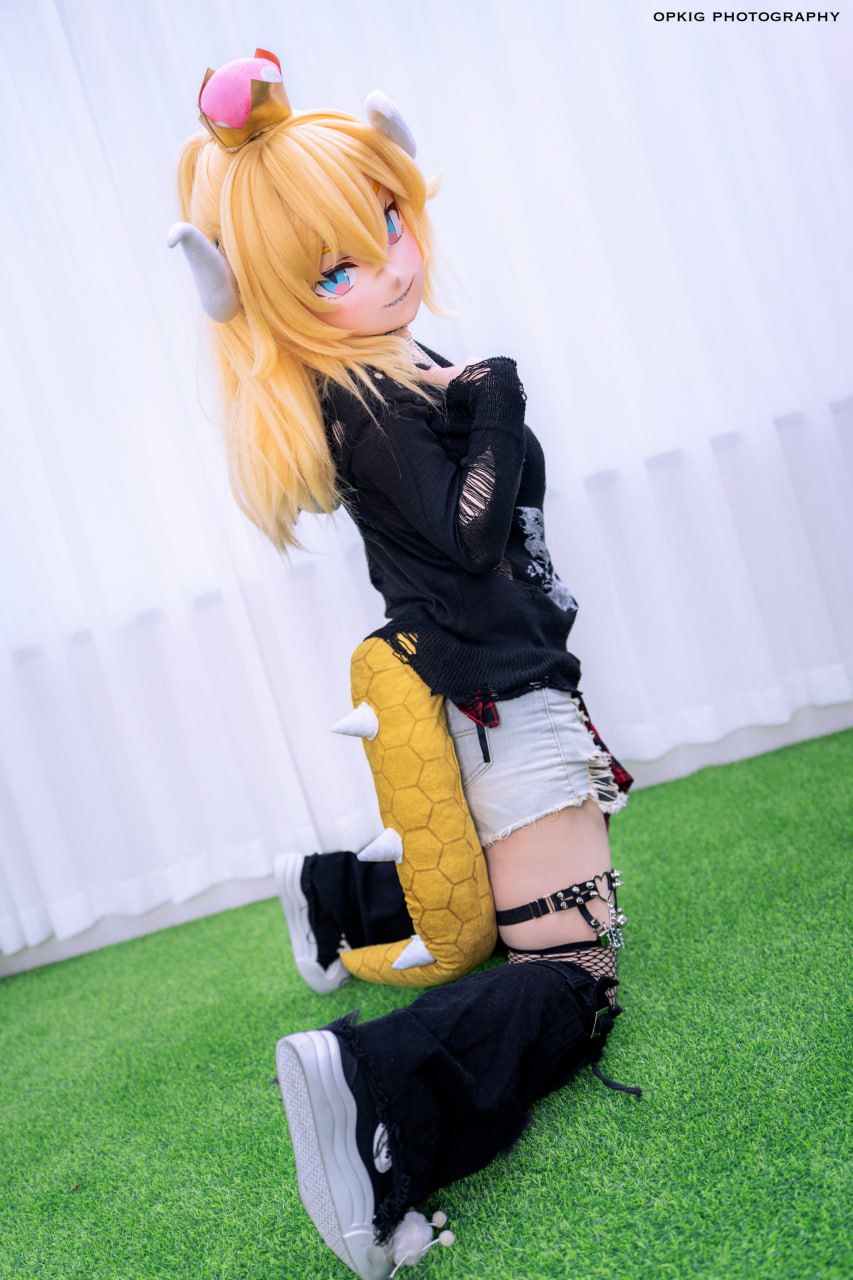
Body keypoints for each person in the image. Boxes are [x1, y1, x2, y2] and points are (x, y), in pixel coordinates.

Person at [173, 49, 638, 1279]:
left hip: (494, 690)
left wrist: (470, 393)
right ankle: (372, 1092)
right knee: (578, 970)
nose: (386, 265)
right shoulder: (370, 399)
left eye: (386, 222)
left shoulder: (384, 367)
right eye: (334, 268)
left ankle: (342, 900)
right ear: (274, 299)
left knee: (518, 910)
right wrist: (499, 395)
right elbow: (472, 535)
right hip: (502, 699)